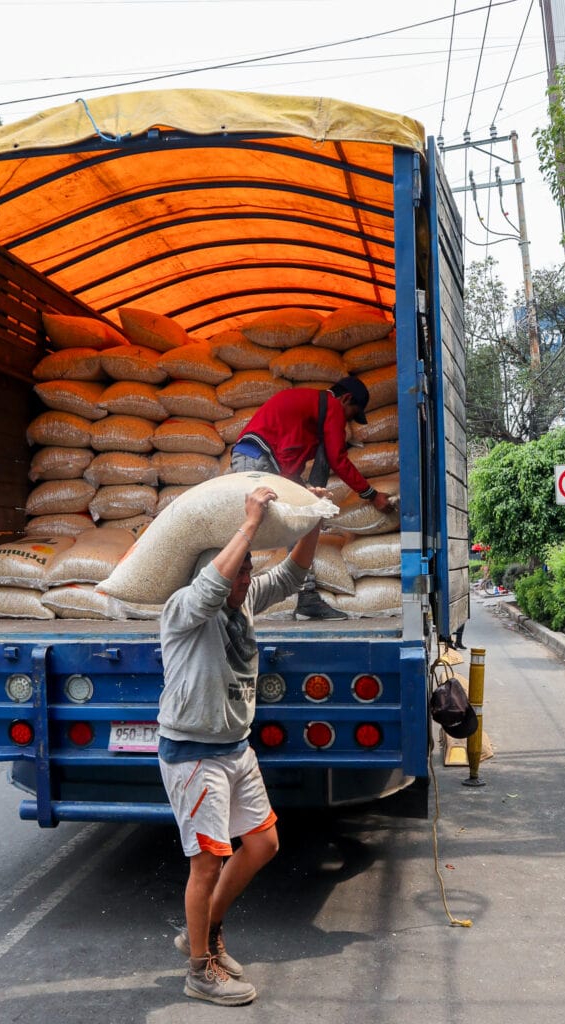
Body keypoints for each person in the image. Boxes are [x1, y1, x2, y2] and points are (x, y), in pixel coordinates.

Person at [158, 484, 325, 1006]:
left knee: (263, 844)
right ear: (218, 570)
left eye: (250, 569)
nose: (248, 577)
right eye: (241, 569)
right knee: (207, 861)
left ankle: (205, 930)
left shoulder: (244, 597)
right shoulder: (185, 607)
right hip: (194, 753)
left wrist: (312, 520)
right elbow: (211, 587)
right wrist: (249, 522)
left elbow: (293, 575)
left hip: (234, 747)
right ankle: (199, 969)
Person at [230, 375, 393, 620]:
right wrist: (371, 495)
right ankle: (229, 599)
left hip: (260, 457)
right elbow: (337, 459)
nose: (346, 422)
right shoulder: (332, 408)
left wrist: (308, 495)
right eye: (351, 414)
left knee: (298, 520)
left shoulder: (312, 406)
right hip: (258, 457)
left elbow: (296, 453)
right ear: (346, 399)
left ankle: (305, 597)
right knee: (249, 529)